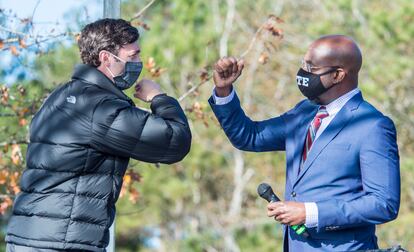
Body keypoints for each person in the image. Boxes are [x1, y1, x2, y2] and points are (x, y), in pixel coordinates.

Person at [5, 19, 191, 252]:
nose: (138, 63)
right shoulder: (99, 108)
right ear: (105, 58)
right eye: (132, 56)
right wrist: (159, 98)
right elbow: (175, 141)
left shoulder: (61, 95)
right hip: (62, 241)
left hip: (27, 237)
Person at [209, 35, 400, 251]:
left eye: (311, 68)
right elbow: (250, 136)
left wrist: (310, 213)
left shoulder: (372, 126)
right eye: (303, 65)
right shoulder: (305, 111)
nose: (303, 74)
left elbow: (383, 204)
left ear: (338, 75)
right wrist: (223, 92)